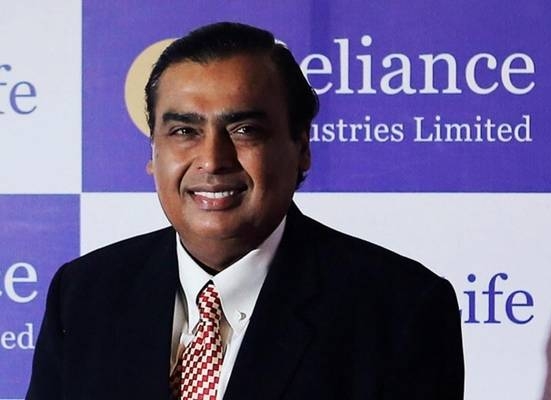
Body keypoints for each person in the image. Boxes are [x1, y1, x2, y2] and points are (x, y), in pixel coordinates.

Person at [27, 22, 464, 399]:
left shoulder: (402, 310)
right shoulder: (84, 294)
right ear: (153, 152)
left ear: (301, 148)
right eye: (184, 131)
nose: (212, 160)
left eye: (244, 130)